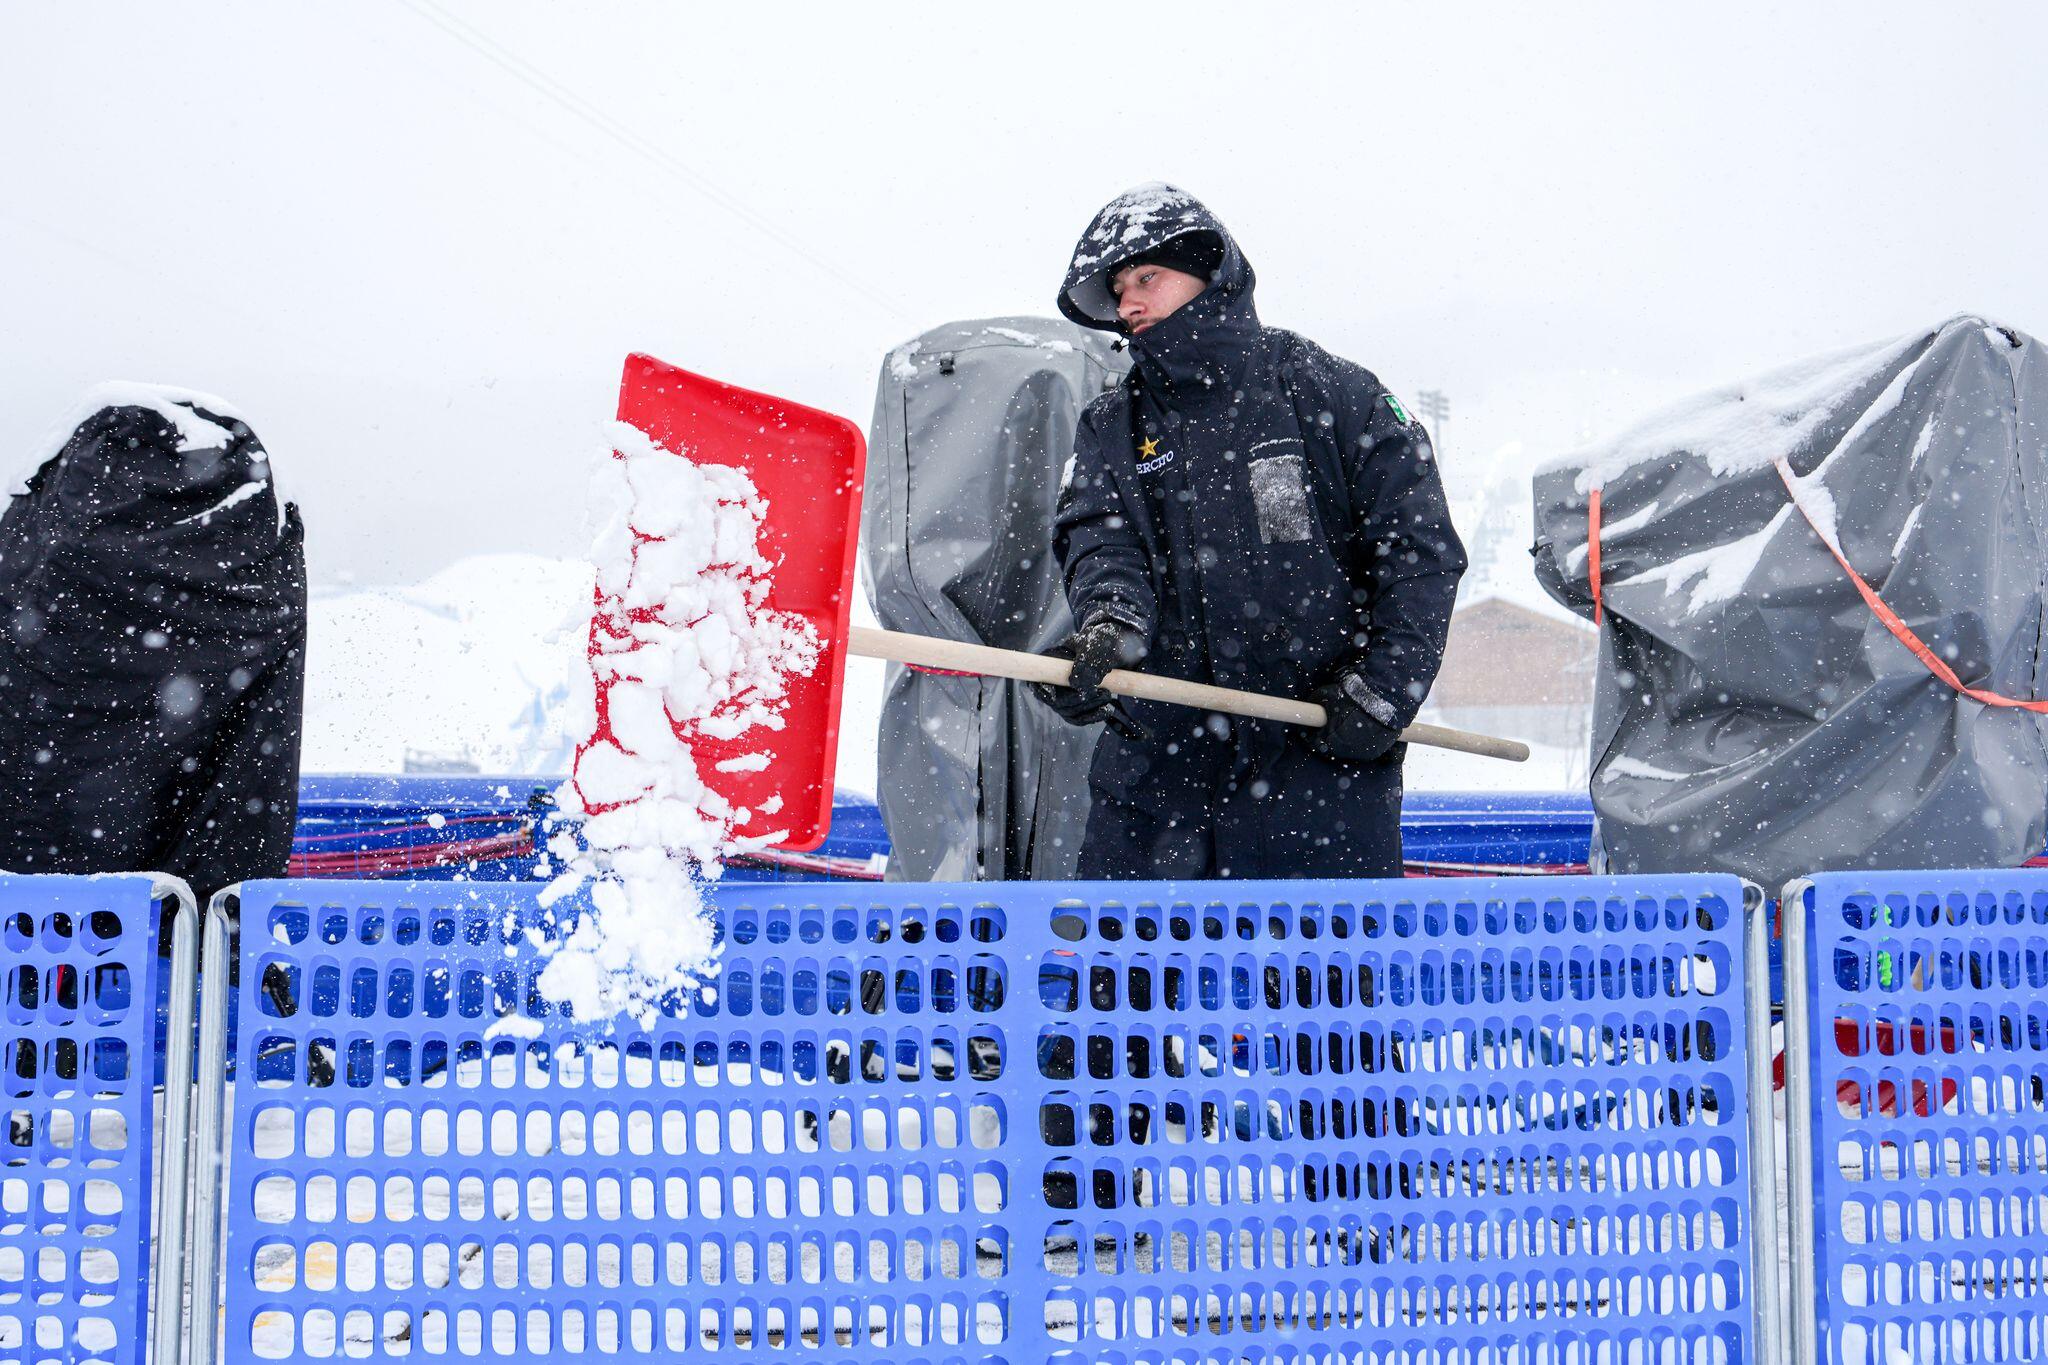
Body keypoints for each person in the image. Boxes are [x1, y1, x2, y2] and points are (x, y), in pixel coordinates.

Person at [1038, 183, 1466, 879]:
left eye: (1147, 277)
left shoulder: (1331, 392)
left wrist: (1382, 691)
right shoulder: (1111, 425)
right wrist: (1111, 629)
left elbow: (1419, 554)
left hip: (1320, 780)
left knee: (1318, 955)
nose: (1128, 304)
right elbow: (1099, 540)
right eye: (1118, 290)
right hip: (1156, 785)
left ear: (1210, 270)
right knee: (1127, 955)